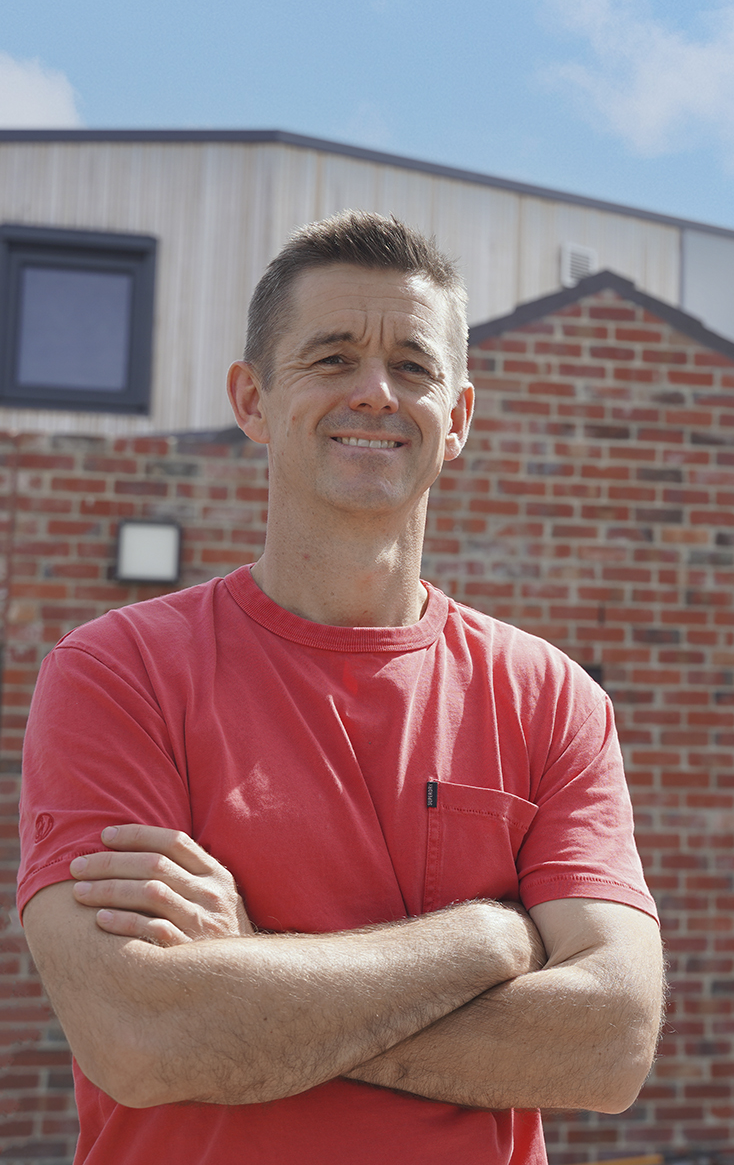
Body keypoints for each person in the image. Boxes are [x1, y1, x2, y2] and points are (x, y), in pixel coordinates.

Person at [17, 211, 664, 1165]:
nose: (375, 392)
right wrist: (487, 941)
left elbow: (610, 1045)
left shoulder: (550, 699)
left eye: (413, 366)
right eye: (330, 358)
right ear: (253, 400)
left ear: (460, 420)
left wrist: (253, 974)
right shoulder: (118, 675)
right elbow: (143, 1039)